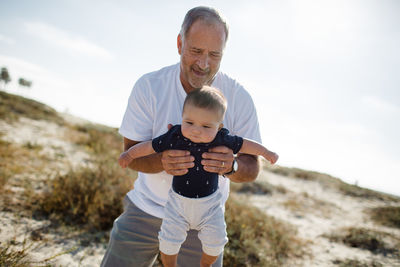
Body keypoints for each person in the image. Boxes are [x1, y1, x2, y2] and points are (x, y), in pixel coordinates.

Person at [101, 6, 265, 267]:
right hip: (145, 209)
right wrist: (162, 162)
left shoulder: (239, 98)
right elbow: (131, 154)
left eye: (214, 54)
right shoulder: (150, 86)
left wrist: (231, 166)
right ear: (180, 43)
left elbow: (252, 167)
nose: (204, 64)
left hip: (203, 220)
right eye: (196, 51)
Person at [118, 86, 278, 267]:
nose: (196, 130)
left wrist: (266, 152)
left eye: (206, 126)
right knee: (169, 241)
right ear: (182, 119)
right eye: (190, 122)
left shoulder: (221, 139)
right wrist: (130, 155)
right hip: (177, 203)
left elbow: (245, 146)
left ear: (219, 127)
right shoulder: (175, 136)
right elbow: (150, 146)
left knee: (216, 242)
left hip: (210, 206)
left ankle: (205, 265)